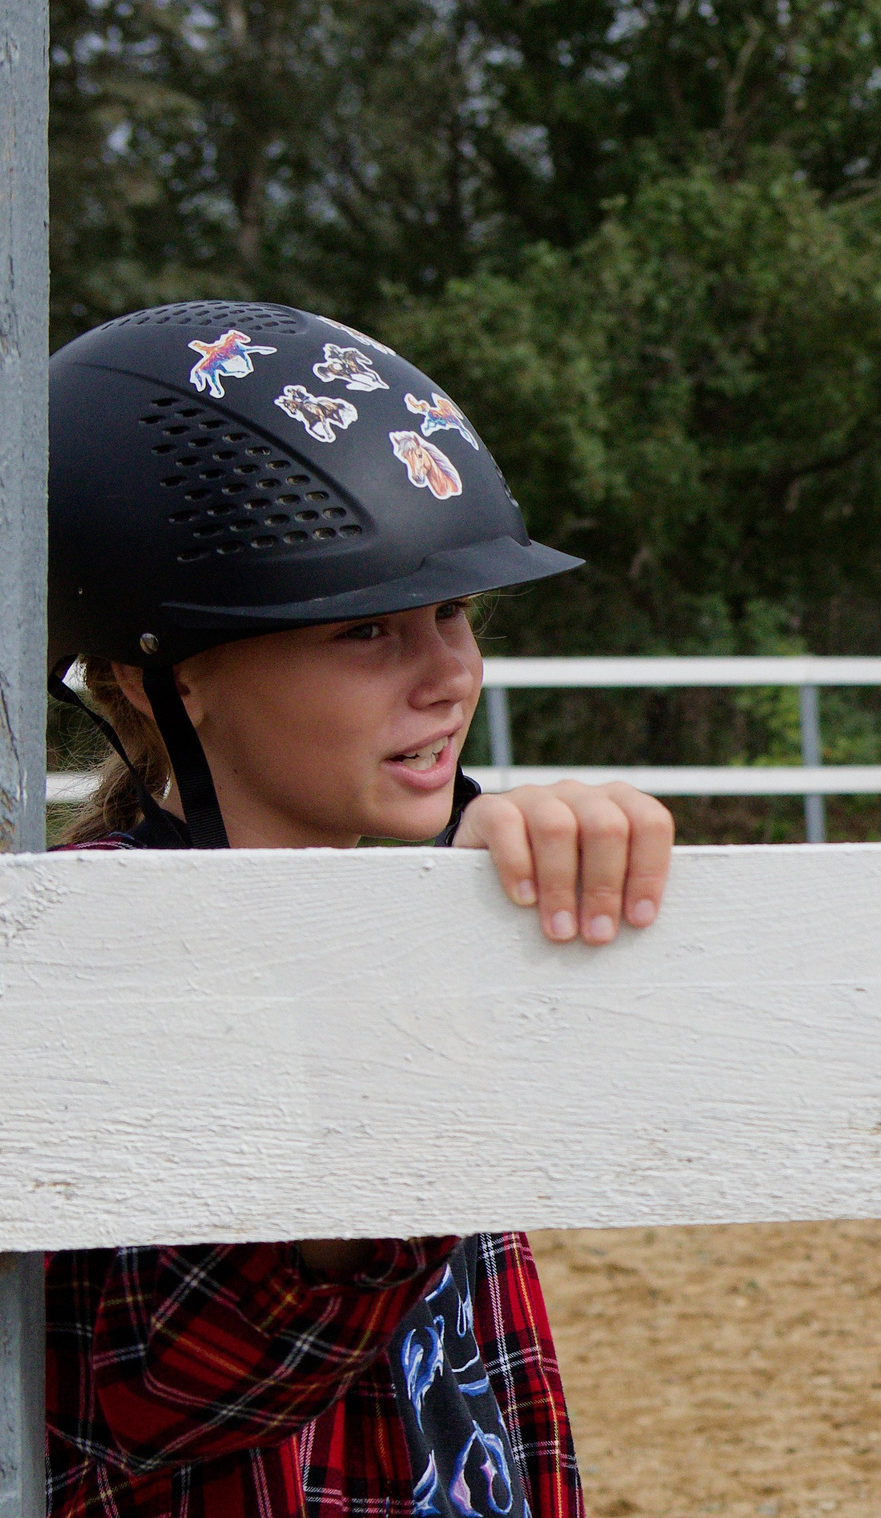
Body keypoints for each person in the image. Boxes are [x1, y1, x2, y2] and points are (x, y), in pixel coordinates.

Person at [43, 299, 675, 1518]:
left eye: (455, 615)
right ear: (157, 680)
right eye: (367, 629)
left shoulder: (428, 909)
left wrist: (512, 895)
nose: (449, 676)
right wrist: (411, 1045)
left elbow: (496, 1395)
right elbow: (174, 1387)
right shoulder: (91, 956)